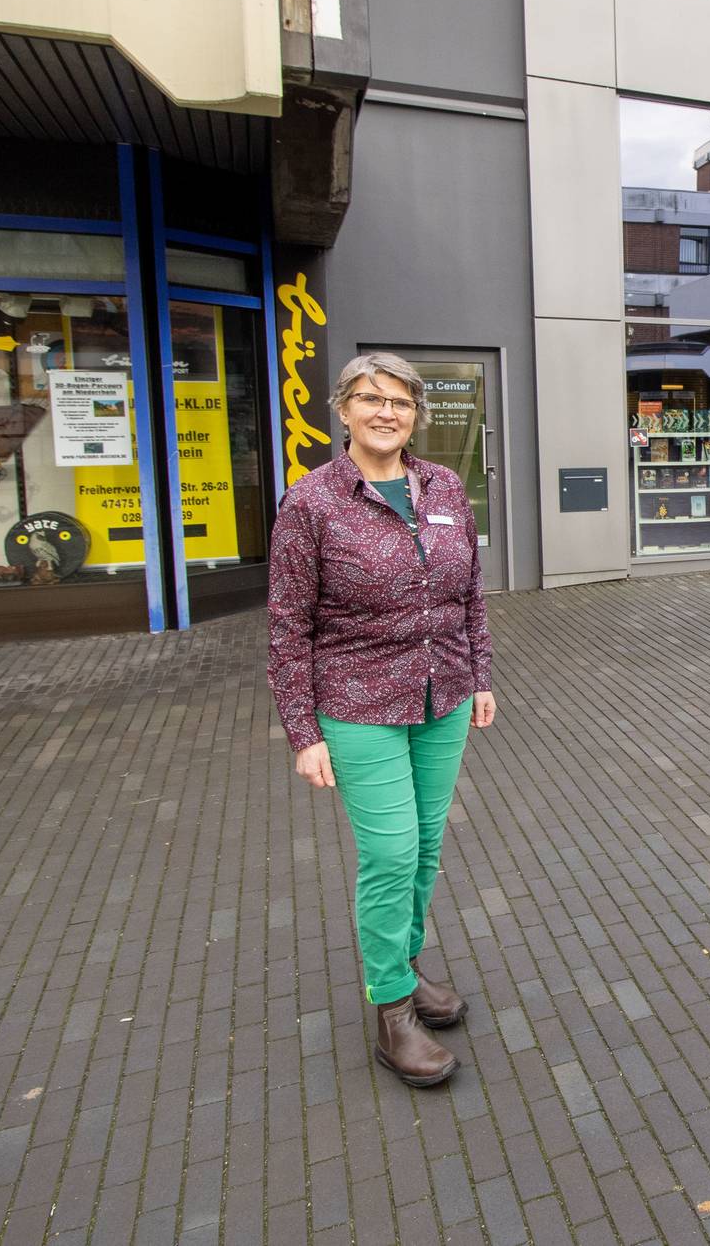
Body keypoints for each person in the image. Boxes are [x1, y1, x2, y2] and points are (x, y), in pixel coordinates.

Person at [268, 352, 497, 1088]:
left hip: (444, 698)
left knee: (427, 847)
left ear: (415, 413)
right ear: (344, 409)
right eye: (371, 398)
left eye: (400, 401)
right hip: (358, 704)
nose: (386, 412)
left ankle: (405, 962)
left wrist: (480, 676)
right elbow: (286, 627)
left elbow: (471, 595)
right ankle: (392, 1007)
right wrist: (303, 731)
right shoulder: (312, 503)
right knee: (392, 853)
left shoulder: (446, 486)